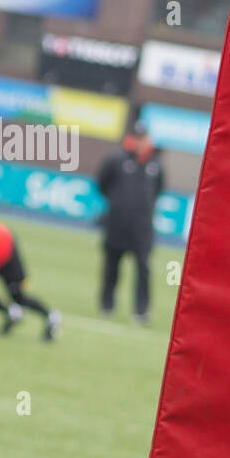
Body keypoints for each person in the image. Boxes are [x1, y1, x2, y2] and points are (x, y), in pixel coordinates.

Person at [96, 121, 164, 324]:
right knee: (112, 266)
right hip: (117, 224)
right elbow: (102, 184)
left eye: (143, 138)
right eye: (137, 137)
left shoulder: (155, 165)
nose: (140, 142)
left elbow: (158, 190)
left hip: (142, 228)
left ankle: (141, 310)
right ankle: (107, 304)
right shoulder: (116, 160)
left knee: (143, 268)